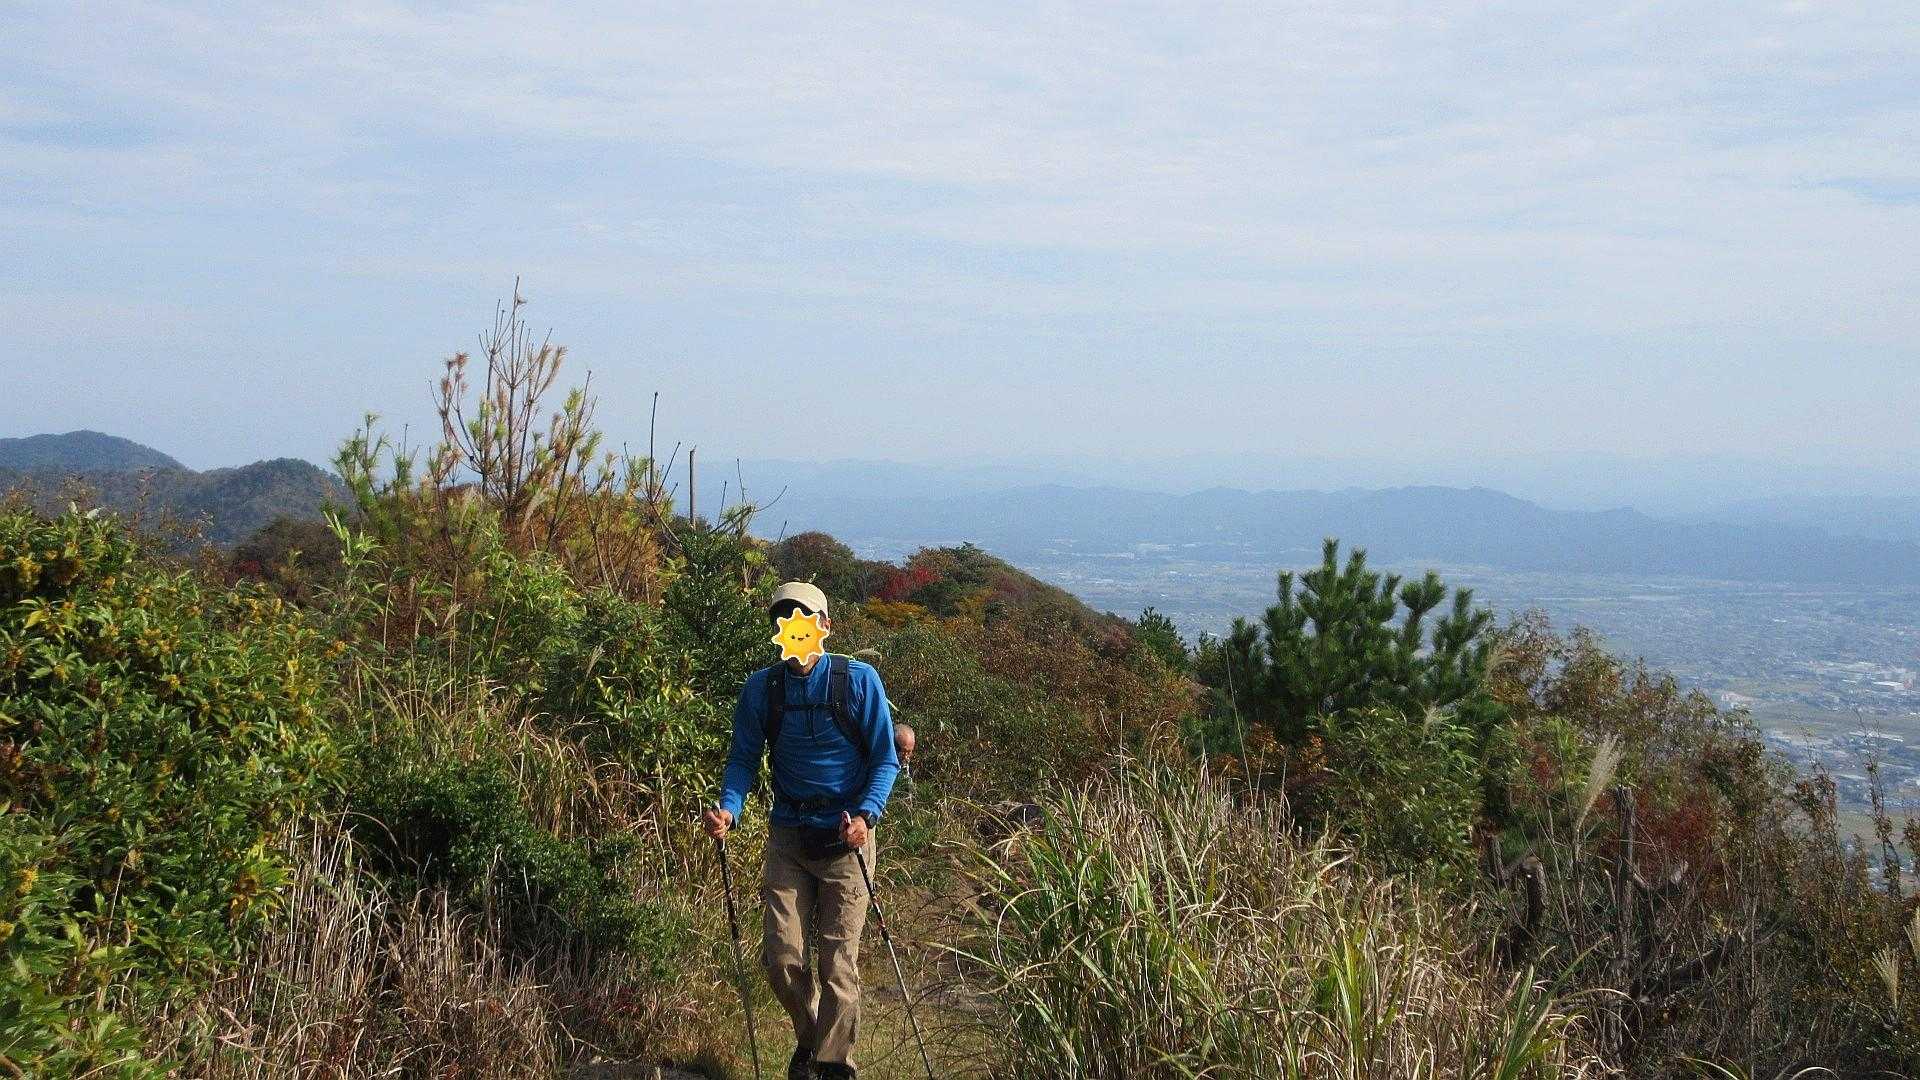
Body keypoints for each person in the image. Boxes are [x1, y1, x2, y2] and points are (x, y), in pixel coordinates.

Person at [703, 582, 900, 1080]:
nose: (794, 628)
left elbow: (885, 758)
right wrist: (729, 810)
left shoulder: (858, 681)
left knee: (838, 964)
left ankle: (834, 1066)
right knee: (781, 957)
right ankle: (810, 1040)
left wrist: (866, 816)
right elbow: (744, 758)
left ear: (825, 626)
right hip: (789, 835)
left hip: (846, 839)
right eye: (784, 620)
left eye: (804, 619)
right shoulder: (763, 689)